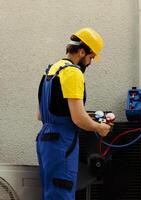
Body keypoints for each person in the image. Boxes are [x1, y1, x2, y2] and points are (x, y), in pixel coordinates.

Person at [36, 27, 111, 200]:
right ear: (82, 51)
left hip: (45, 141)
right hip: (62, 141)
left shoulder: (50, 71)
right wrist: (99, 127)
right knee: (62, 192)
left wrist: (82, 118)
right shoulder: (73, 72)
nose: (90, 62)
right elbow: (78, 118)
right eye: (91, 57)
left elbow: (40, 115)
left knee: (51, 193)